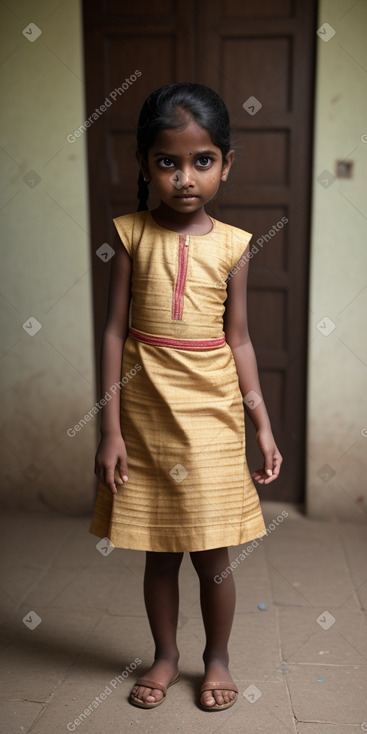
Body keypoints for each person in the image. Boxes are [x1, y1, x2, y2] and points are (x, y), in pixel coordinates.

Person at [90, 82, 282, 712]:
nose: (184, 177)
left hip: (214, 415)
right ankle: (166, 655)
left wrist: (262, 427)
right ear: (145, 165)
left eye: (202, 160)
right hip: (146, 416)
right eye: (168, 162)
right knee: (159, 548)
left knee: (212, 551)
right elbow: (116, 332)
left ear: (227, 163)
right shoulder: (130, 236)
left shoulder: (234, 246)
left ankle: (217, 658)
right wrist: (110, 431)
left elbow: (242, 341)